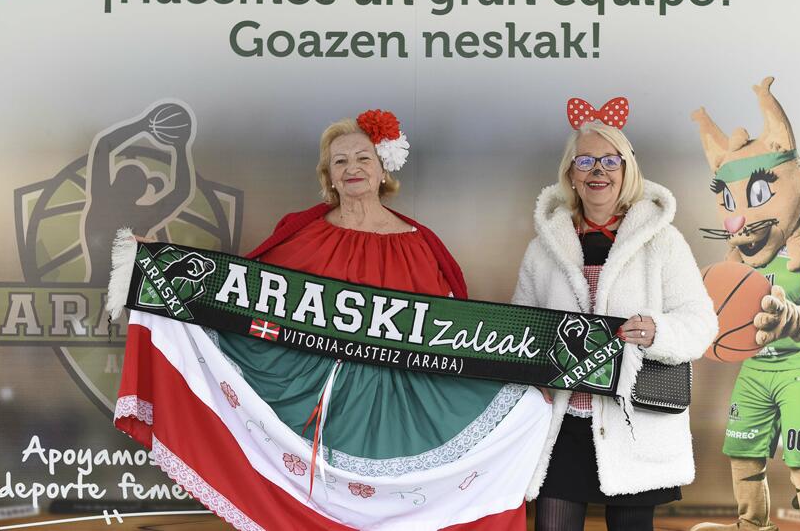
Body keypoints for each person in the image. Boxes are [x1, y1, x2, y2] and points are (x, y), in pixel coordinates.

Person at [113, 109, 550, 531]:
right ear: (329, 176)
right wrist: (161, 265)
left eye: (363, 158)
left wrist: (526, 382)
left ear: (384, 171)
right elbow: (239, 300)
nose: (352, 168)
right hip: (308, 399)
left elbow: (450, 339)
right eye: (340, 161)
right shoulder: (302, 232)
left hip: (391, 408)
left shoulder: (420, 245)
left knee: (524, 410)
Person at [513, 101, 718, 531]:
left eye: (610, 161)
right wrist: (532, 376)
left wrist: (656, 332)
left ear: (627, 172)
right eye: (584, 161)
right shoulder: (543, 249)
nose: (597, 171)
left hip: (634, 422)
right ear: (571, 173)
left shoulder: (662, 242)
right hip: (563, 424)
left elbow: (700, 323)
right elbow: (521, 331)